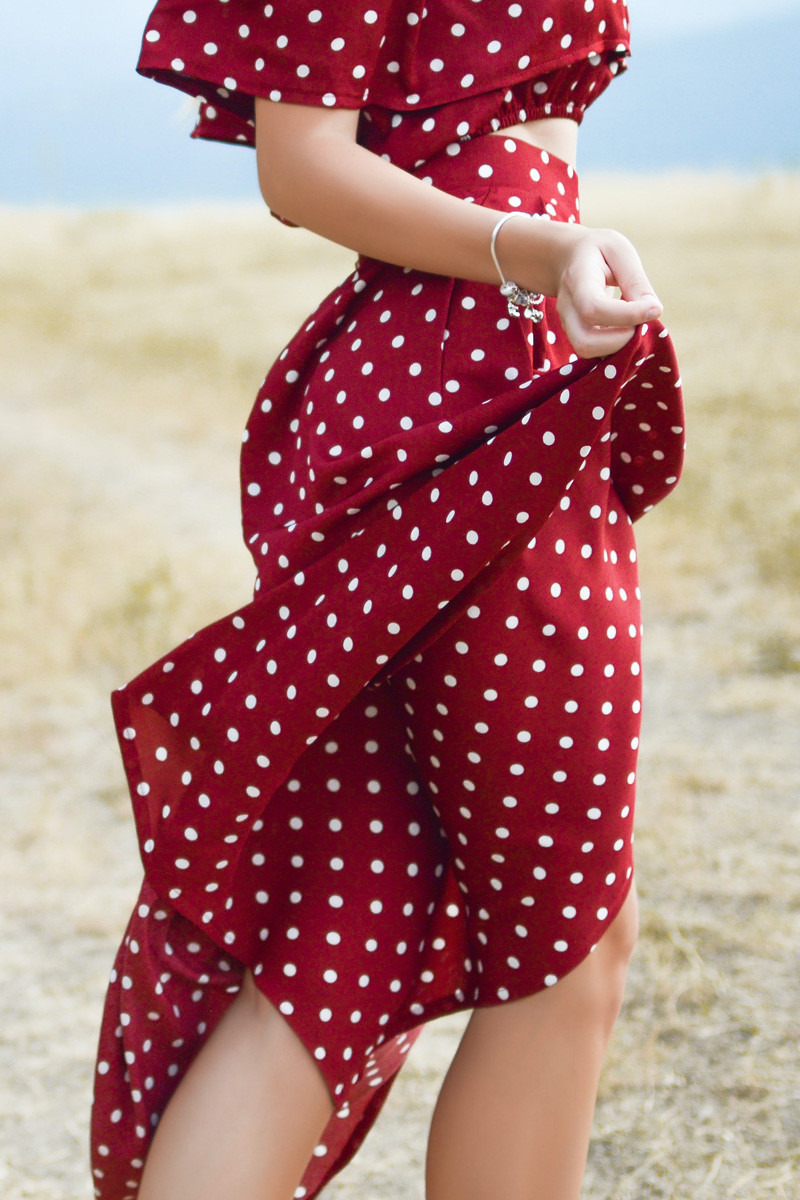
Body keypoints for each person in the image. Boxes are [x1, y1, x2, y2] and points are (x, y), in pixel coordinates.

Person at [90, 3, 685, 1199]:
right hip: (472, 363)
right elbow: (300, 163)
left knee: (340, 924)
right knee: (565, 949)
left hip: (452, 353)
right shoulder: (513, 269)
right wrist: (543, 250)